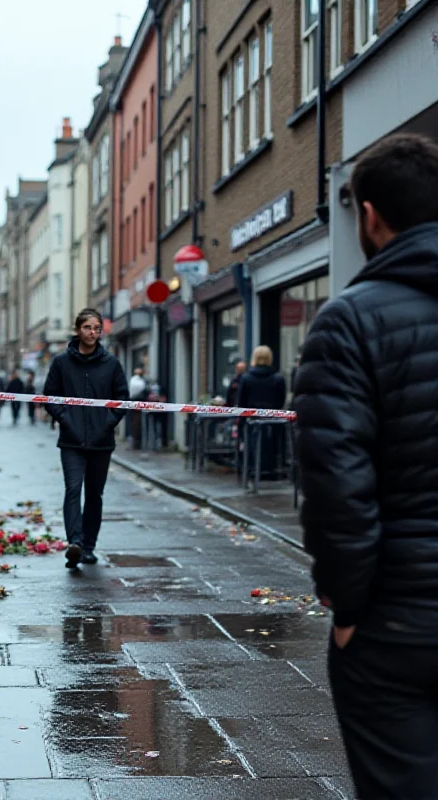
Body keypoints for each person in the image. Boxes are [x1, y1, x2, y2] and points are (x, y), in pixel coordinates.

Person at [294, 133, 438, 798]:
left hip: (399, 621)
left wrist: (347, 607)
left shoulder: (349, 321)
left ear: (371, 216)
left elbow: (337, 484)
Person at [43, 309, 129, 569]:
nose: (92, 332)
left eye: (97, 328)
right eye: (88, 327)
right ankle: (75, 543)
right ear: (77, 329)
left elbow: (122, 399)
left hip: (101, 442)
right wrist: (66, 419)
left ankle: (89, 546)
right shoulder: (61, 362)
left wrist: (107, 423)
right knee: (72, 489)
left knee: (95, 494)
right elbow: (50, 397)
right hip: (71, 441)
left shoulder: (111, 363)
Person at [237, 346, 286, 480]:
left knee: (252, 446)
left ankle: (253, 472)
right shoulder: (278, 379)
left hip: (251, 421)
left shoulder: (246, 378)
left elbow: (241, 404)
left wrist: (240, 425)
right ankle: (271, 471)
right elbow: (280, 401)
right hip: (272, 421)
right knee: (271, 448)